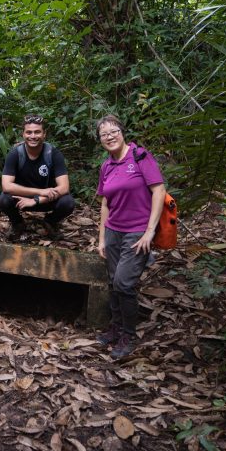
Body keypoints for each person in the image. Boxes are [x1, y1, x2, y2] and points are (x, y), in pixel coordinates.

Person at [94, 115, 165, 359]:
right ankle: (115, 327)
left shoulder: (140, 156)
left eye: (113, 131)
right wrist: (102, 238)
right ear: (100, 140)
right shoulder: (106, 166)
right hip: (114, 230)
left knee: (124, 283)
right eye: (104, 134)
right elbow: (105, 203)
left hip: (137, 231)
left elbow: (158, 191)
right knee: (114, 282)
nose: (110, 136)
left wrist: (150, 231)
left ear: (122, 132)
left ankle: (128, 334)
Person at [0, 114, 75, 240]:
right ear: (23, 134)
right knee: (4, 199)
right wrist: (40, 192)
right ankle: (18, 223)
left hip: (47, 199)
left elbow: (64, 187)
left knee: (67, 202)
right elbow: (6, 186)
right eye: (29, 132)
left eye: (37, 132)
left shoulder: (53, 154)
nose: (33, 136)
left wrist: (37, 199)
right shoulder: (15, 154)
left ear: (44, 134)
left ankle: (50, 222)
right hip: (22, 199)